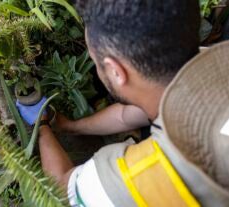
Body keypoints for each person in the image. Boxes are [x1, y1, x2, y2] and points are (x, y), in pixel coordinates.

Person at [17, 0, 229, 206]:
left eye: (94, 58)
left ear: (116, 71)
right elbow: (128, 114)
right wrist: (69, 126)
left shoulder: (143, 175)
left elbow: (61, 189)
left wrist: (42, 125)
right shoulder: (214, 61)